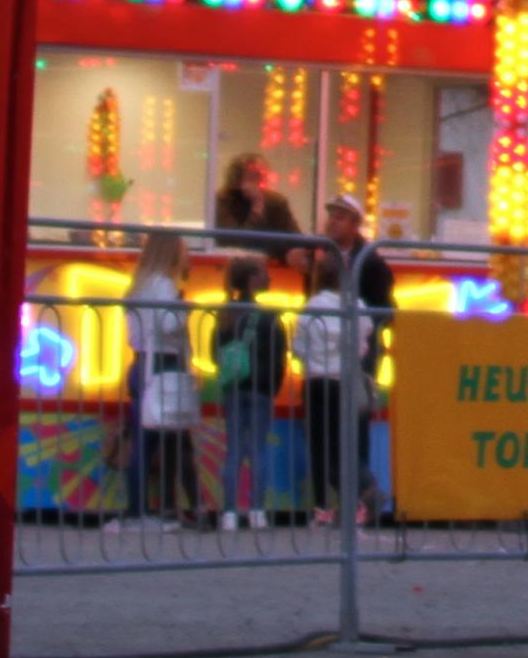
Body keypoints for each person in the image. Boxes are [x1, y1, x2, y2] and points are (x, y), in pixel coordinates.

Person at [296, 196, 399, 527]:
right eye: (331, 216)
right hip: (323, 365)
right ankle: (330, 504)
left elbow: (387, 310)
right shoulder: (319, 255)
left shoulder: (371, 262)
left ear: (355, 224)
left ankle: (360, 503)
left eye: (340, 217)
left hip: (357, 365)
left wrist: (358, 332)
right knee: (323, 438)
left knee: (353, 434)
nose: (332, 222)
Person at [121, 230, 206, 526]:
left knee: (145, 441)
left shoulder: (139, 286)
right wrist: (184, 309)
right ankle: (147, 510)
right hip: (162, 364)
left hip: (140, 362)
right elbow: (167, 325)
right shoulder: (165, 286)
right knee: (165, 438)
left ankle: (141, 507)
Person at [205, 255, 294, 530]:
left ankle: (230, 513)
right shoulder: (269, 317)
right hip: (261, 389)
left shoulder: (225, 315)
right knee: (258, 449)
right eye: (263, 273)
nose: (269, 277)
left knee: (233, 450)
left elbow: (214, 353)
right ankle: (257, 511)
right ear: (253, 280)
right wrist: (273, 386)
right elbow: (280, 355)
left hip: (234, 388)